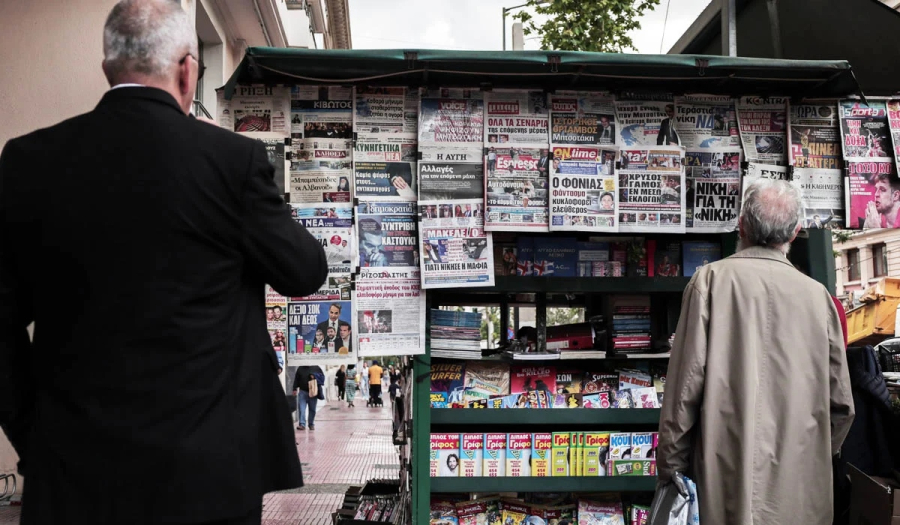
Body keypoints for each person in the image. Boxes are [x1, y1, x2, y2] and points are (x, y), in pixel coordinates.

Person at [0, 1, 329, 524]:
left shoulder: (26, 161)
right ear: (186, 69)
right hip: (208, 477)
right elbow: (305, 270)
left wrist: (33, 432)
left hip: (72, 475)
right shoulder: (231, 162)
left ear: (109, 67)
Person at [657, 178, 854, 525]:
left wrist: (672, 469)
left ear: (741, 225)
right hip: (801, 483)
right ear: (794, 233)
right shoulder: (819, 298)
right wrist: (813, 454)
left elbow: (683, 394)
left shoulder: (709, 282)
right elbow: (841, 405)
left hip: (724, 476)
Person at [293, 365, 324, 431]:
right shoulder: (300, 368)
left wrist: (315, 376)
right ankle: (302, 424)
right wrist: (294, 388)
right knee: (302, 408)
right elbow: (296, 378)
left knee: (312, 409)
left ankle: (311, 424)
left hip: (313, 392)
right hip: (302, 391)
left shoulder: (316, 367)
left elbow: (322, 378)